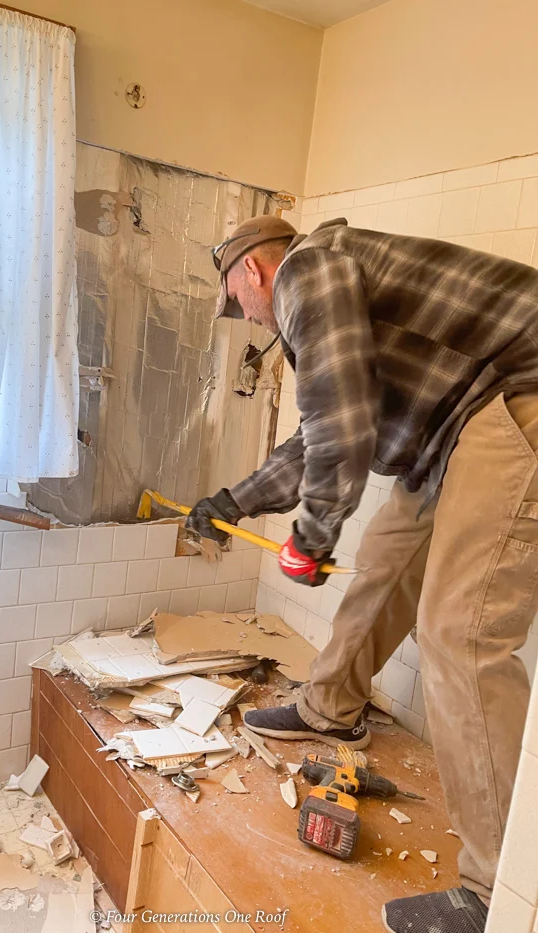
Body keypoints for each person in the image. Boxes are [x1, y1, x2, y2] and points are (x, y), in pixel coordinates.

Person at [186, 214, 538, 933]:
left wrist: (311, 541)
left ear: (253, 271)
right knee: (382, 565)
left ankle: (504, 889)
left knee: (459, 637)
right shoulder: (327, 285)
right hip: (454, 430)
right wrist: (233, 503)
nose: (246, 316)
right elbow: (318, 436)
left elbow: (342, 434)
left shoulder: (307, 274)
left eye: (237, 301)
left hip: (515, 396)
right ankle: (330, 709)